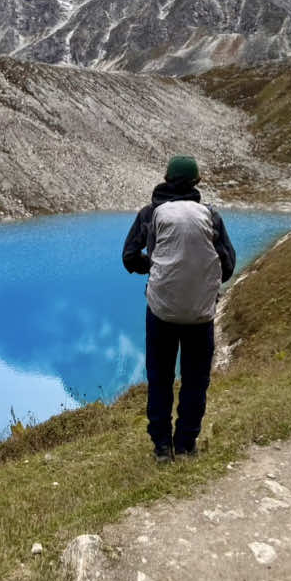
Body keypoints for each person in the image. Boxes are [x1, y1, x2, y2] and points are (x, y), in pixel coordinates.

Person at [122, 154, 236, 462]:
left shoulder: (150, 213)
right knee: (195, 380)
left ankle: (162, 448)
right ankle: (186, 444)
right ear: (196, 182)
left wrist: (155, 267)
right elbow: (227, 265)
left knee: (160, 378)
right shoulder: (210, 215)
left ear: (166, 180)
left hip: (161, 311)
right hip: (200, 314)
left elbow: (129, 256)